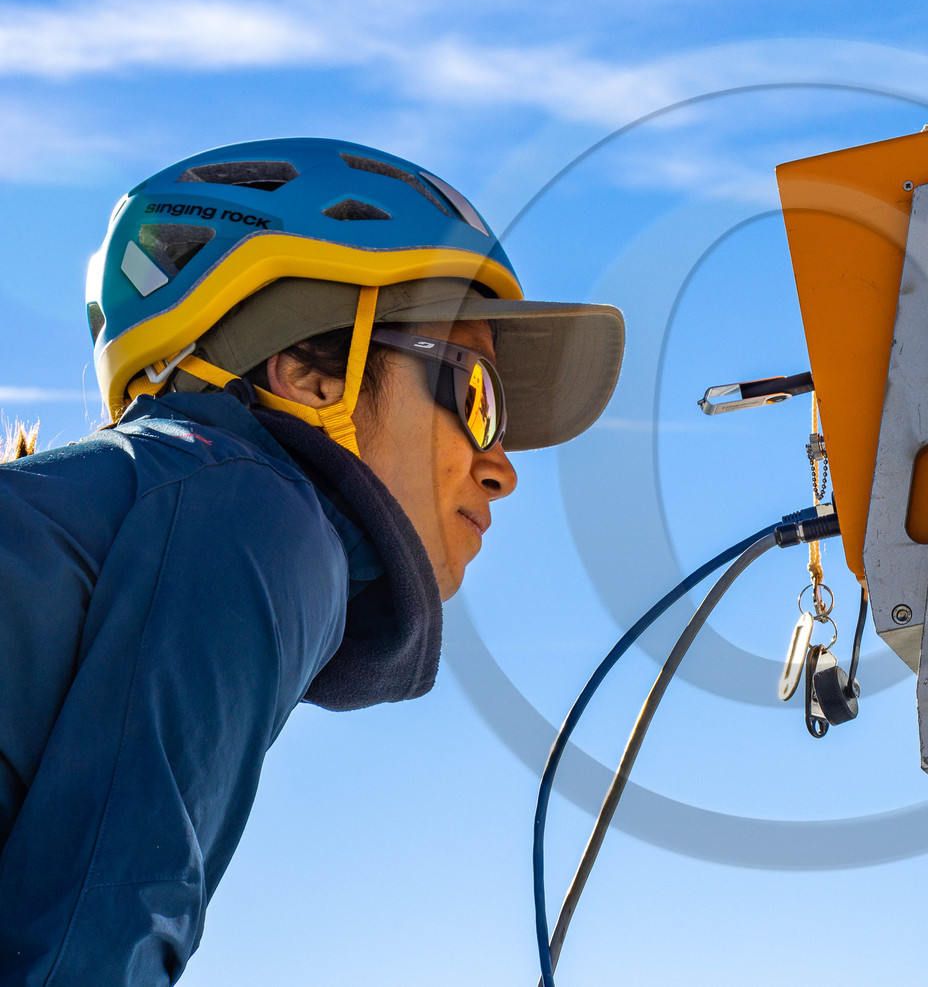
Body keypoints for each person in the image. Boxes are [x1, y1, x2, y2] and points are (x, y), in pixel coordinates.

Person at [0, 139, 624, 984]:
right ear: (307, 371)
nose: (501, 466)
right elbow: (100, 925)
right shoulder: (258, 505)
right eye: (476, 395)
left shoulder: (174, 490)